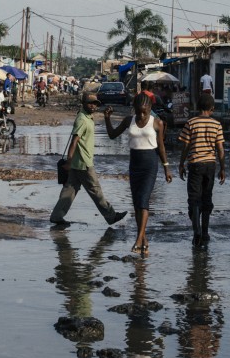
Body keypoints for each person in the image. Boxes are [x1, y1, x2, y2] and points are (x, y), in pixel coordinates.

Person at [104, 94, 172, 255]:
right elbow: (112, 135)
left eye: (145, 112)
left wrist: (166, 168)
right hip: (134, 164)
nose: (142, 115)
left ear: (150, 109)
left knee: (143, 201)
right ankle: (144, 240)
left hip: (150, 164)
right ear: (134, 109)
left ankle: (138, 239)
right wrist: (107, 118)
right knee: (136, 204)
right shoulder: (129, 121)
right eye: (139, 112)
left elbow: (161, 147)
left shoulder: (157, 123)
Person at [50, 92, 129, 228]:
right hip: (83, 163)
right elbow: (74, 141)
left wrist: (106, 116)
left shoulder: (86, 117)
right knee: (95, 191)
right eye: (90, 103)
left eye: (95, 104)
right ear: (83, 104)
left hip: (77, 163)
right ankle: (111, 216)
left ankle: (57, 216)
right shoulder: (82, 119)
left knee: (70, 190)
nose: (93, 106)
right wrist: (69, 161)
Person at [178, 93, 225, 249]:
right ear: (212, 108)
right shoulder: (217, 125)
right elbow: (220, 149)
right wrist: (223, 168)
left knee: (194, 199)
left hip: (195, 164)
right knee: (207, 199)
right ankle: (205, 233)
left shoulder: (191, 123)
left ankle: (196, 232)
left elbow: (185, 146)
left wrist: (181, 163)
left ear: (198, 107)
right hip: (210, 165)